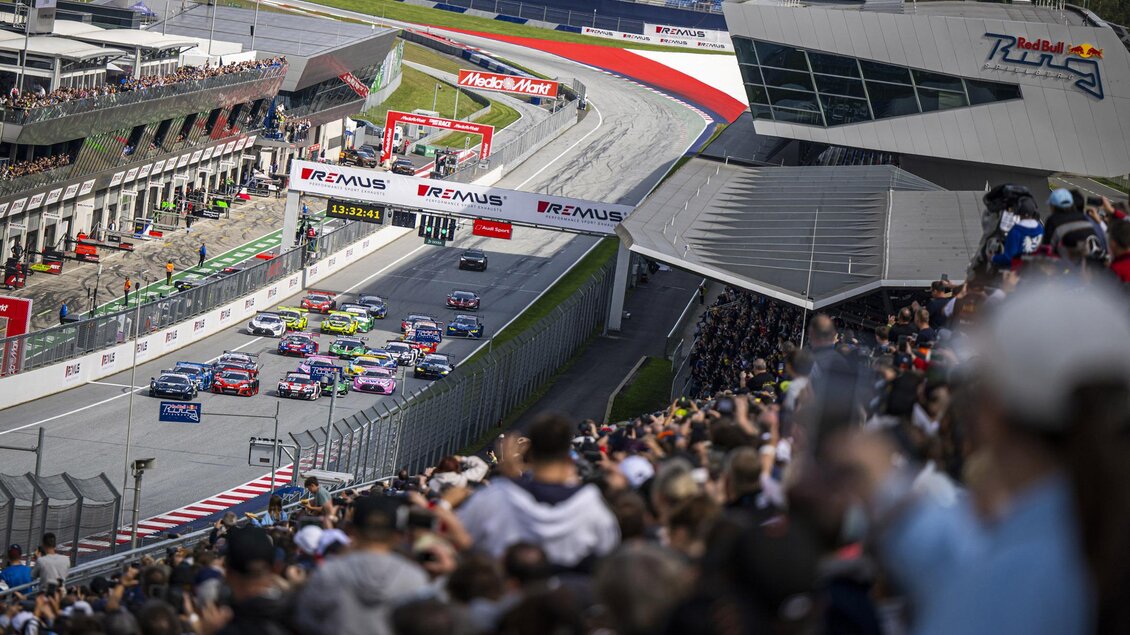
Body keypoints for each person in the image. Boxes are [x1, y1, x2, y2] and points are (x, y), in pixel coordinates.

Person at [841, 281, 1130, 635]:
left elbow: (990, 569)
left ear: (992, 413)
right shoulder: (1085, 523)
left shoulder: (1014, 583)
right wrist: (887, 490)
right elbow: (964, 549)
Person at [458, 414, 620, 570]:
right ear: (569, 457)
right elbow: (609, 551)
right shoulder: (592, 504)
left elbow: (463, 540)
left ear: (531, 453)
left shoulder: (494, 496)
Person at [295, 495, 431, 635]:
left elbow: (307, 623)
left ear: (351, 530)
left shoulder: (329, 572)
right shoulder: (415, 579)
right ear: (399, 535)